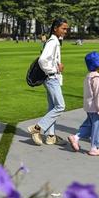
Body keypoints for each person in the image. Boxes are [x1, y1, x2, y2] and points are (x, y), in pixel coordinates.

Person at [27, 18, 69, 146]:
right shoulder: (53, 41)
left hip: (51, 77)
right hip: (51, 77)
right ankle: (37, 128)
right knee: (60, 106)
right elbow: (42, 60)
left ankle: (51, 136)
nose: (65, 31)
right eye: (63, 28)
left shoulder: (55, 40)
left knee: (52, 107)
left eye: (66, 29)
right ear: (55, 28)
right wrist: (56, 68)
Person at [68, 51, 99, 156]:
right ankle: (95, 147)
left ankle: (75, 137)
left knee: (89, 125)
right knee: (98, 126)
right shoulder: (97, 78)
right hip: (96, 107)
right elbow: (98, 95)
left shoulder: (88, 76)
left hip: (88, 106)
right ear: (97, 64)